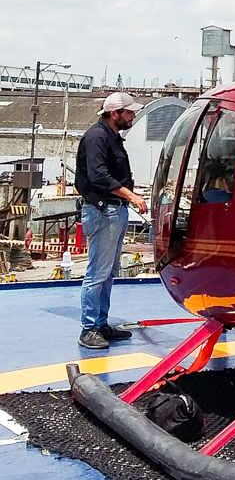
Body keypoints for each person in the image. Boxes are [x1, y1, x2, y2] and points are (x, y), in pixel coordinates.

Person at [76, 92, 148, 350]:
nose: (133, 116)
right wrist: (130, 194)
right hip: (103, 210)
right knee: (98, 271)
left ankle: (101, 323)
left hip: (115, 210)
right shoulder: (97, 138)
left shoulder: (113, 138)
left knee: (108, 272)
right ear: (114, 113)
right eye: (129, 112)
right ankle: (89, 328)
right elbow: (98, 176)